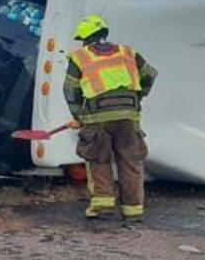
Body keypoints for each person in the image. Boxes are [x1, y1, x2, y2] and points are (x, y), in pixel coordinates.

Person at [63, 14, 158, 221]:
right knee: (131, 161)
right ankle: (133, 210)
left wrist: (78, 116)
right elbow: (150, 75)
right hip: (129, 116)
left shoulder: (80, 57)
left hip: (97, 117)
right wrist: (137, 96)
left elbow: (70, 89)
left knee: (98, 157)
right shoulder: (128, 52)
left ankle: (102, 205)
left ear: (85, 38)